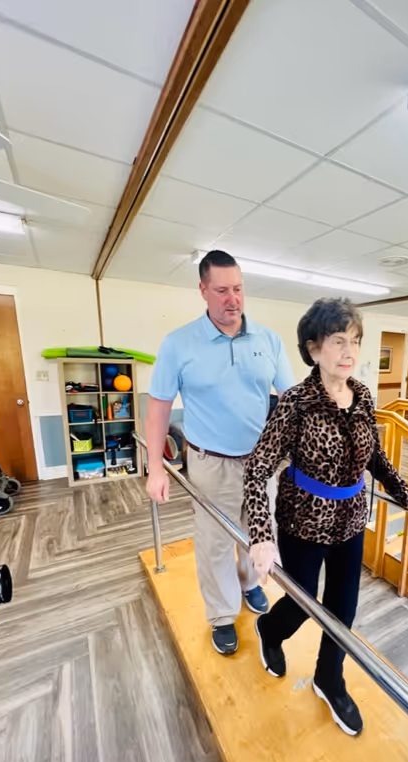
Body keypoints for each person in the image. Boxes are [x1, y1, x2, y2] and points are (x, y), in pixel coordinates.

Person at [243, 298, 408, 736]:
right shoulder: (295, 402)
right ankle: (270, 629)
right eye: (338, 341)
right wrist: (260, 535)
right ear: (313, 348)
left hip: (351, 520)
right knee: (302, 603)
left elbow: (376, 457)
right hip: (303, 521)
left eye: (355, 341)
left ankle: (329, 677)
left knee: (343, 607)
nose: (349, 351)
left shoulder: (363, 396)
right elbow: (257, 469)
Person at [146, 250, 295, 656]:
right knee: (214, 543)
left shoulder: (268, 340)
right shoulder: (179, 343)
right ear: (203, 290)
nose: (233, 299)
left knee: (258, 532)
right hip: (210, 463)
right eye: (222, 290)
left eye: (239, 289)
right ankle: (223, 614)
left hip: (261, 462)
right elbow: (158, 407)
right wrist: (155, 467)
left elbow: (291, 399)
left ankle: (248, 585)